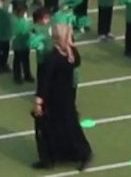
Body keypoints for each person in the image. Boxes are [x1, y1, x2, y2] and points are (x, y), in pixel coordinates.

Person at [32, 24, 93, 171]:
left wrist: (39, 101)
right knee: (70, 125)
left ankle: (48, 159)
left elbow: (45, 81)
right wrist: (71, 45)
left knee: (45, 128)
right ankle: (81, 153)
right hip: (67, 96)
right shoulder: (71, 55)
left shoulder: (52, 57)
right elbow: (77, 61)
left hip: (53, 99)